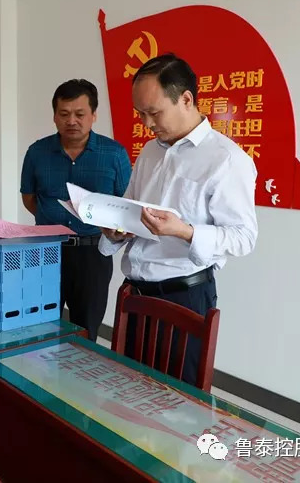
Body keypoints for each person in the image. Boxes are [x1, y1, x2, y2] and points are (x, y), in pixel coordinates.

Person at [99, 53, 258, 385]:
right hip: (135, 295)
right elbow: (131, 206)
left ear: (186, 99)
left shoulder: (226, 159)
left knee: (177, 401)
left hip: (182, 300)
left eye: (154, 112)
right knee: (127, 391)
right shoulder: (150, 151)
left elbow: (244, 237)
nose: (147, 123)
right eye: (140, 113)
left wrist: (184, 231)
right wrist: (117, 228)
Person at [21, 79, 132, 341]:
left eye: (80, 114)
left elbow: (126, 203)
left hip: (92, 253)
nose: (72, 121)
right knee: (40, 327)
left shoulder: (114, 154)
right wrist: (52, 221)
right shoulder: (37, 152)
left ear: (94, 115)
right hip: (47, 252)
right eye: (64, 114)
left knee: (86, 330)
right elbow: (30, 199)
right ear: (54, 116)